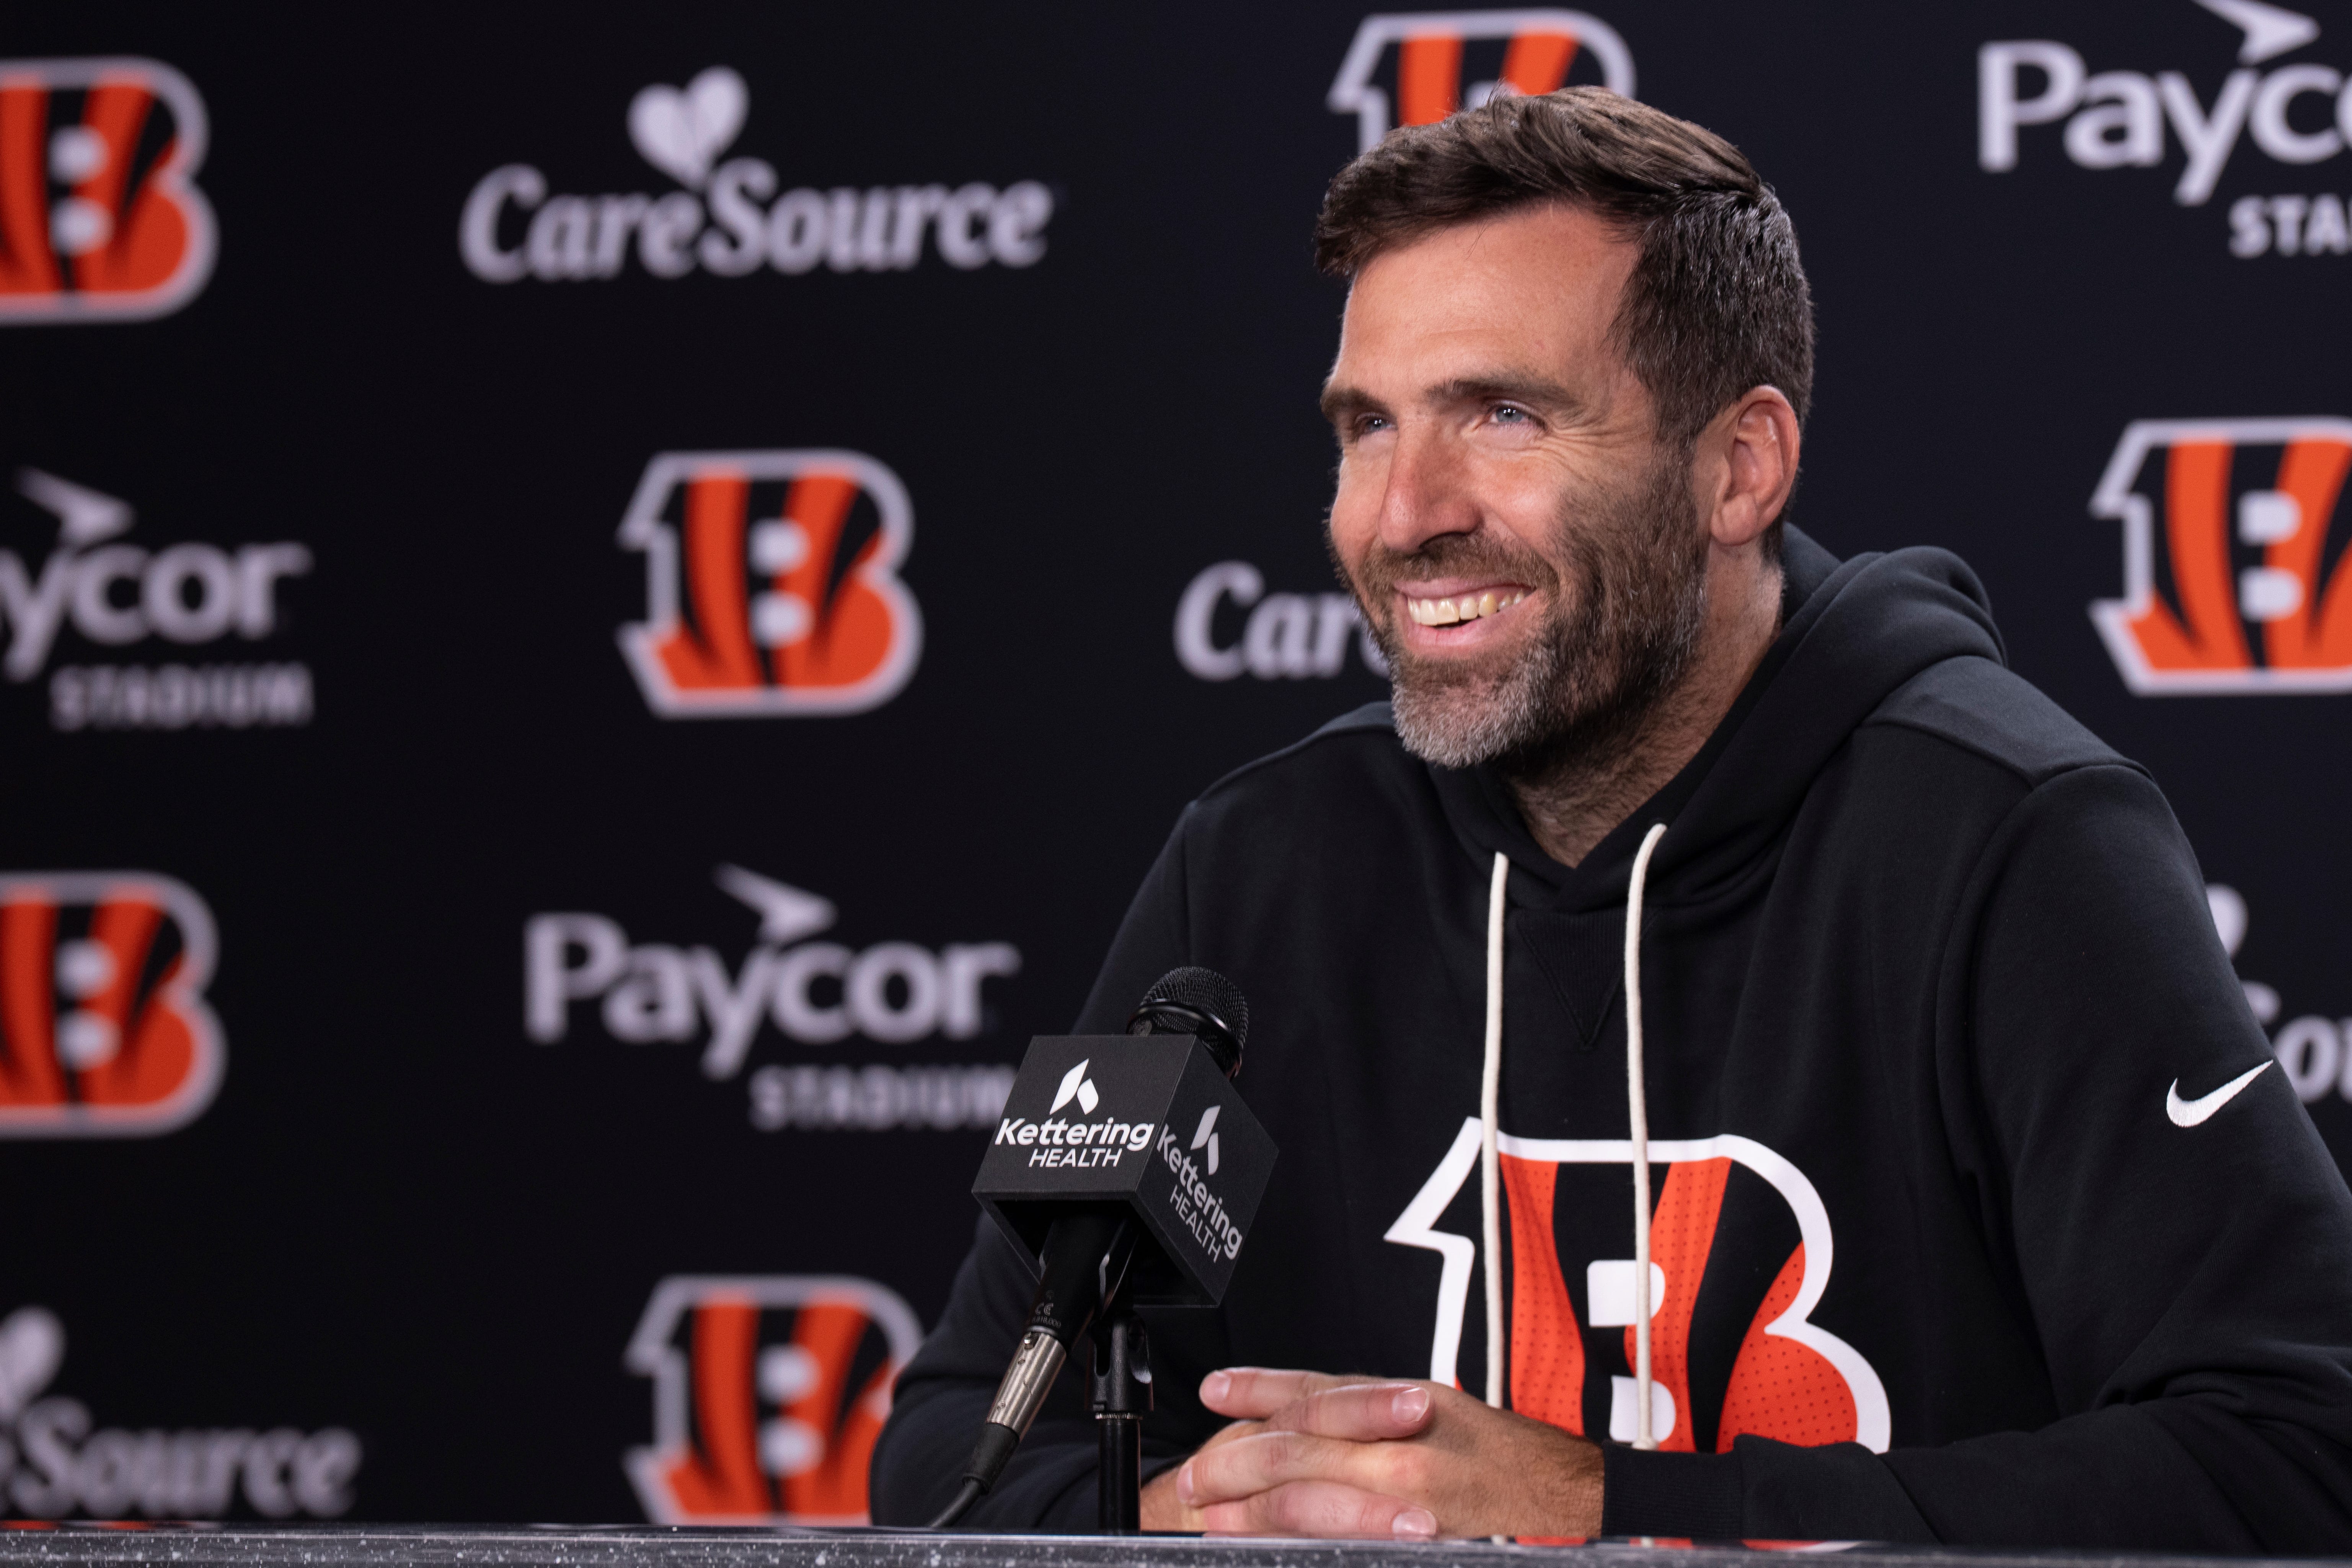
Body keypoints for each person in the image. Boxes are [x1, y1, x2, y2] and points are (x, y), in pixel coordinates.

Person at [869, 87, 2352, 1548]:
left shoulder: (2009, 839)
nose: (1402, 514)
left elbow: (2294, 1451)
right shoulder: (1260, 860)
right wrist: (1167, 1515)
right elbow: (962, 1437)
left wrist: (1602, 1511)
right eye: (1366, 426)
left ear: (1738, 465)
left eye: (1502, 414)